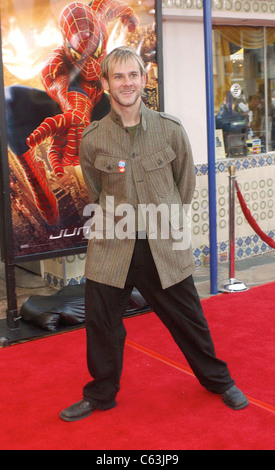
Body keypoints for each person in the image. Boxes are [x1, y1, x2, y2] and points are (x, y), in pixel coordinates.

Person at [59, 46, 249, 422]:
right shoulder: (93, 138)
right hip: (112, 244)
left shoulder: (170, 129)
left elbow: (185, 185)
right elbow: (95, 191)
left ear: (144, 81)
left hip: (163, 243)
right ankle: (100, 395)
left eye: (133, 75)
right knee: (101, 324)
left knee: (188, 318)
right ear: (106, 84)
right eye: (118, 76)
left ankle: (219, 380)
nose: (126, 83)